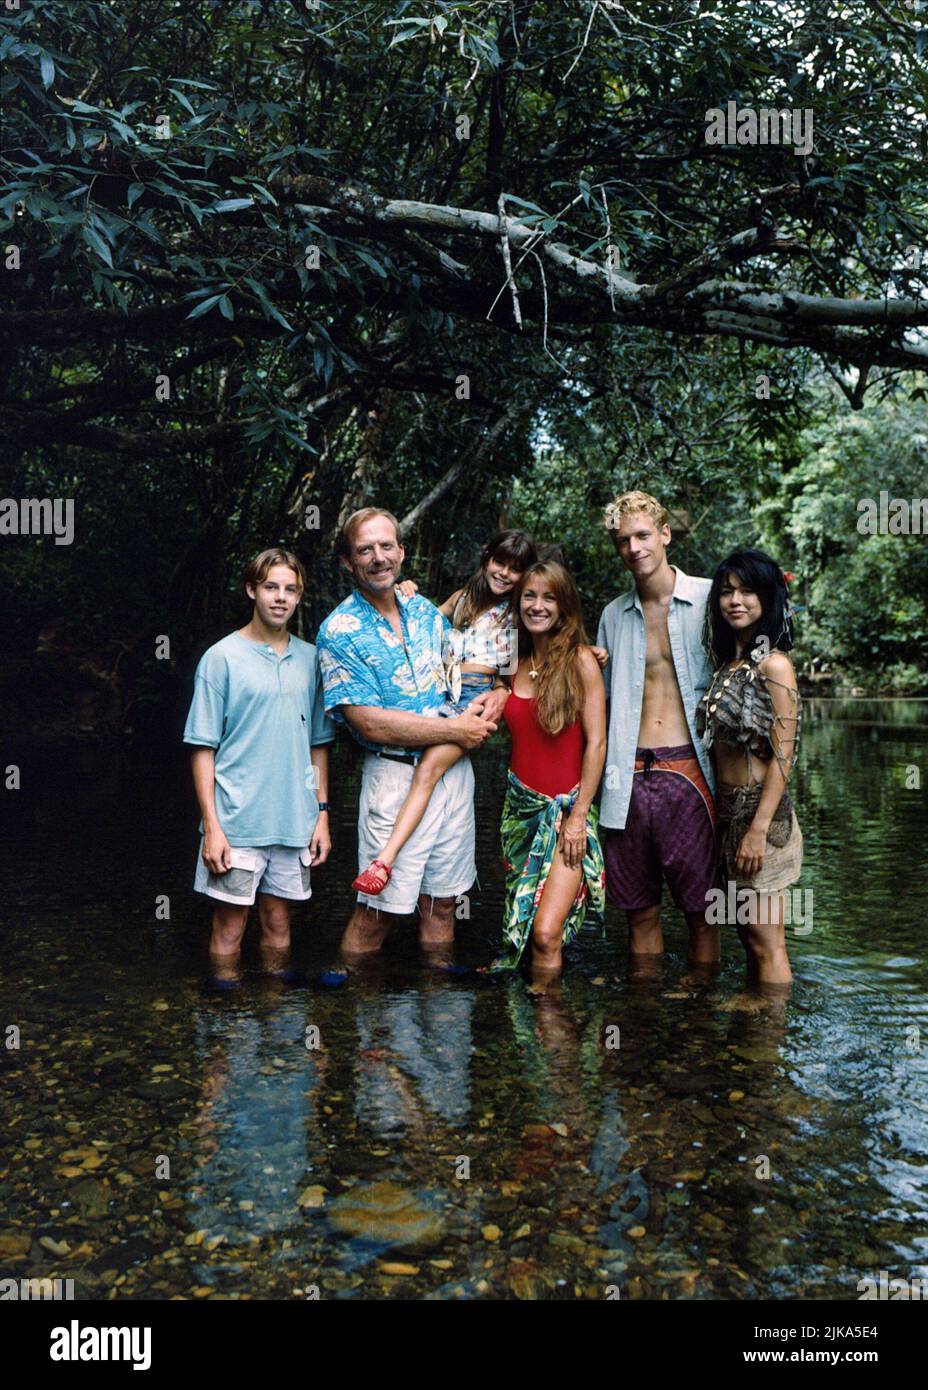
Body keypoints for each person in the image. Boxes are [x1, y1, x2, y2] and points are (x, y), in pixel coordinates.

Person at [316, 507, 511, 970]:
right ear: (348, 562)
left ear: (402, 553)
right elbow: (368, 722)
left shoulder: (425, 612)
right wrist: (457, 730)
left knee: (442, 903)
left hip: (453, 772)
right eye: (365, 549)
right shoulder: (339, 631)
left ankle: (440, 1021)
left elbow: (470, 668)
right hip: (395, 776)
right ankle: (364, 1022)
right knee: (376, 912)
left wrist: (502, 689)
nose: (378, 557)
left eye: (387, 546)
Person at [351, 528, 536, 895]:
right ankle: (396, 864)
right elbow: (419, 625)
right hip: (441, 694)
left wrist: (588, 651)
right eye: (499, 562)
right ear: (487, 560)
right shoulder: (463, 598)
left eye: (515, 569)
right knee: (419, 762)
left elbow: (551, 637)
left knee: (429, 770)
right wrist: (406, 590)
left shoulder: (519, 611)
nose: (504, 573)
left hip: (477, 703)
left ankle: (384, 861)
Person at [183, 548, 335, 980]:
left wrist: (322, 816)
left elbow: (318, 745)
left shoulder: (311, 660)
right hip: (237, 821)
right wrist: (212, 827)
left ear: (299, 597)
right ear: (252, 590)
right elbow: (201, 746)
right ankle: (226, 1029)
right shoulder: (221, 658)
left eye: (290, 589)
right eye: (271, 587)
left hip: (294, 820)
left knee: (278, 924)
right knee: (230, 927)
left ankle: (277, 1020)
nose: (280, 597)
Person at [596, 491, 719, 967]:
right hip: (624, 777)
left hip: (690, 771)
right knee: (638, 911)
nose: (634, 548)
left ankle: (699, 1022)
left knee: (702, 911)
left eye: (643, 535)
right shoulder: (612, 615)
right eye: (623, 540)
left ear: (665, 535)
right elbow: (600, 703)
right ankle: (643, 1017)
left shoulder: (712, 597)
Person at [494, 560, 607, 982]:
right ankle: (532, 1034)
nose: (537, 606)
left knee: (545, 932)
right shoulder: (511, 659)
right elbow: (457, 634)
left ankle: (550, 1031)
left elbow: (597, 742)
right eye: (529, 595)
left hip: (566, 818)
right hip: (518, 816)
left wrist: (578, 818)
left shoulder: (581, 661)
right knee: (523, 928)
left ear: (564, 606)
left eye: (548, 597)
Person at [697, 550, 802, 986]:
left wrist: (758, 829)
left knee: (766, 940)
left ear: (767, 598)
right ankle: (756, 1031)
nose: (735, 601)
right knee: (746, 932)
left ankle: (771, 1034)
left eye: (746, 591)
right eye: (726, 592)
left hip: (762, 816)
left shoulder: (774, 664)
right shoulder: (728, 664)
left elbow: (785, 752)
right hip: (729, 813)